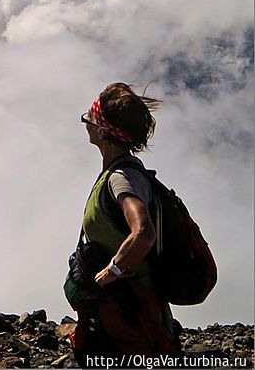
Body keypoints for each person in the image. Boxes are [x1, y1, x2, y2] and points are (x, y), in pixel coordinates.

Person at [65, 82, 181, 367]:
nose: (86, 123)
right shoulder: (120, 172)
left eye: (89, 119)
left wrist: (112, 270)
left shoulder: (121, 179)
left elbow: (143, 233)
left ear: (104, 132)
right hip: (129, 306)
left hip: (128, 308)